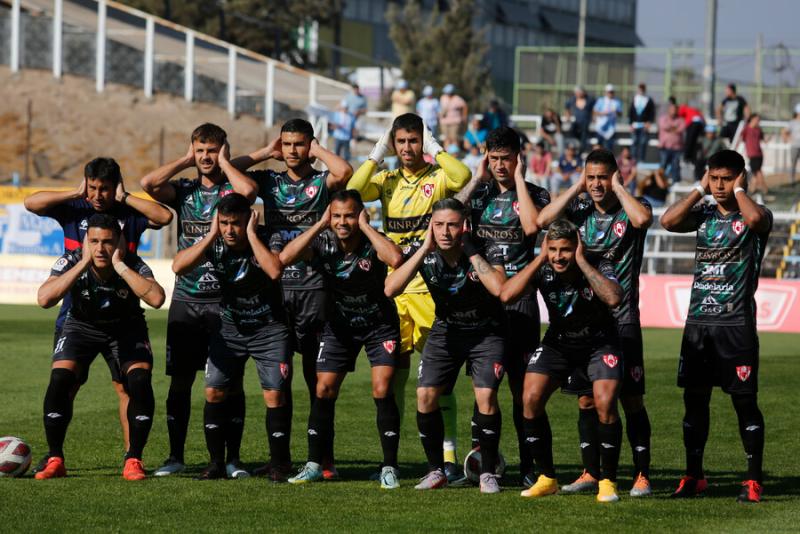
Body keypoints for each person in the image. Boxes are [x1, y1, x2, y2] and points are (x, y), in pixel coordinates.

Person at [24, 157, 172, 472]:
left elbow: (164, 217)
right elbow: (30, 203)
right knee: (65, 380)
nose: (97, 194)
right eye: (92, 187)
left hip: (124, 317)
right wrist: (74, 193)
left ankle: (133, 458)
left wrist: (126, 197)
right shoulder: (75, 211)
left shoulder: (128, 228)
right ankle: (55, 457)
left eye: (104, 188)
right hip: (78, 315)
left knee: (130, 385)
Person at [348, 113, 471, 482]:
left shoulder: (437, 177)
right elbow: (353, 191)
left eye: (413, 141)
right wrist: (377, 151)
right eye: (400, 142)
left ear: (423, 141)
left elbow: (462, 176)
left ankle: (448, 456)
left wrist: (436, 148)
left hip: (431, 289)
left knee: (438, 382)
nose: (406, 148)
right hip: (394, 290)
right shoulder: (386, 181)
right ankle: (393, 460)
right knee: (395, 380)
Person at [232, 118, 353, 479]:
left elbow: (344, 170)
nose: (292, 151)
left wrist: (317, 150)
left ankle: (323, 458)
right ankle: (280, 459)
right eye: (287, 145)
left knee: (317, 380)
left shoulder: (321, 181)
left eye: (299, 144)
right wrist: (263, 153)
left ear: (309, 145)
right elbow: (231, 172)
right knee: (278, 381)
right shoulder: (270, 180)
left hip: (316, 290)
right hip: (278, 289)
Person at [140, 123, 258, 478]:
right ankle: (176, 457)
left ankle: (232, 458)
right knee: (180, 382)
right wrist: (184, 160)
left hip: (225, 302)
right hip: (187, 300)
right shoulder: (184, 190)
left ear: (223, 150)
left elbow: (250, 189)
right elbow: (148, 184)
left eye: (213, 150)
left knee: (230, 383)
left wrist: (226, 163)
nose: (206, 158)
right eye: (201, 151)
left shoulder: (231, 191)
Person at [537, 148, 654, 498]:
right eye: (592, 177)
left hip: (623, 319)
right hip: (587, 323)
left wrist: (619, 188)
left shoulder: (633, 205)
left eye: (603, 177)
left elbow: (643, 221)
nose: (597, 184)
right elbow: (543, 222)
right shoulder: (579, 209)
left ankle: (642, 475)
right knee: (587, 401)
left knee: (631, 399)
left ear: (615, 176)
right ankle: (590, 470)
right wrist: (577, 187)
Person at [660, 149, 771, 503]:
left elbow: (754, 220)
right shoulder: (704, 213)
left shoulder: (756, 213)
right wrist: (699, 188)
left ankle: (753, 480)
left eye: (726, 179)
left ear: (740, 179)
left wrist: (740, 191)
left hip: (736, 325)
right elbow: (667, 221)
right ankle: (694, 476)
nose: (719, 185)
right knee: (694, 403)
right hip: (698, 325)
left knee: (744, 403)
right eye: (715, 178)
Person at [279, 190, 404, 489]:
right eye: (337, 215)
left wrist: (368, 228)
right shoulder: (323, 241)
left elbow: (396, 259)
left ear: (360, 215)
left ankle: (389, 467)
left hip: (379, 325)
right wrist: (319, 225)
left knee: (382, 388)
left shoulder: (374, 240)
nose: (342, 221)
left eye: (349, 215)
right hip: (340, 326)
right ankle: (313, 464)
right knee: (323, 388)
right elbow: (285, 257)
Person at [385, 198, 507, 493]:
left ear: (463, 225)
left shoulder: (484, 246)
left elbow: (500, 288)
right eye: (438, 225)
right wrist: (423, 250)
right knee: (425, 395)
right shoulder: (424, 251)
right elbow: (391, 288)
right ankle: (436, 470)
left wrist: (470, 250)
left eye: (452, 225)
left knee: (485, 396)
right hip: (446, 330)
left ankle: (488, 472)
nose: (445, 231)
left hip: (486, 332)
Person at [501, 219, 624, 502]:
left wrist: (581, 261)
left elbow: (614, 298)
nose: (558, 256)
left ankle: (607, 481)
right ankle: (546, 477)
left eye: (565, 249)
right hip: (559, 342)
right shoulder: (544, 265)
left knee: (605, 403)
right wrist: (539, 259)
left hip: (599, 341)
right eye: (553, 249)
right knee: (529, 397)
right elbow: (506, 294)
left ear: (577, 246)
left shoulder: (597, 261)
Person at [171, 194, 290, 480]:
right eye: (224, 223)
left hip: (269, 329)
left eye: (235, 223)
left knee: (274, 395)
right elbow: (178, 267)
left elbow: (274, 270)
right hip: (231, 328)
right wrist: (211, 235)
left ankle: (279, 464)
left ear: (248, 219)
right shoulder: (215, 241)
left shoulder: (267, 236)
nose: (229, 230)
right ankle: (216, 463)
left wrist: (251, 234)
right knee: (213, 391)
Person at [458, 126, 550, 486]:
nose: (499, 165)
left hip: (522, 303)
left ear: (518, 158)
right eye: (493, 158)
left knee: (521, 390)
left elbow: (530, 227)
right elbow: (446, 217)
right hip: (483, 303)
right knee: (484, 388)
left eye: (506, 159)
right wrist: (475, 179)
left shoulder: (536, 194)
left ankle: (530, 466)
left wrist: (521, 181)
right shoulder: (478, 195)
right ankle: (483, 462)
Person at [739, 114, 768, 195]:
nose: (758, 122)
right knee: (756, 172)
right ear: (751, 119)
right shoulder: (746, 129)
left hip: (758, 154)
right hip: (752, 154)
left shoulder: (758, 130)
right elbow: (741, 138)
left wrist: (768, 139)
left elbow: (763, 140)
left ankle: (764, 189)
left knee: (757, 172)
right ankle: (753, 189)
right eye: (757, 120)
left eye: (759, 120)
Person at [658, 102, 686, 183]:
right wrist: (674, 128)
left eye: (675, 109)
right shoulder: (663, 118)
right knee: (663, 166)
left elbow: (681, 128)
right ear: (668, 110)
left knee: (676, 166)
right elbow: (664, 126)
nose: (673, 111)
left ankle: (676, 182)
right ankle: (660, 182)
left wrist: (671, 128)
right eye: (672, 109)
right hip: (664, 147)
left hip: (677, 148)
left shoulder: (681, 119)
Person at [628, 83, 655, 162]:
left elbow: (652, 112)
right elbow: (631, 112)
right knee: (634, 142)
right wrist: (630, 124)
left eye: (643, 89)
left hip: (644, 125)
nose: (641, 90)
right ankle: (633, 160)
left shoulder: (648, 99)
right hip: (635, 125)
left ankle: (641, 159)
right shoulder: (634, 98)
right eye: (640, 88)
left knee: (643, 143)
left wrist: (649, 122)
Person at [564, 86, 594, 153]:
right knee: (572, 133)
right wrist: (568, 115)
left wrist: (594, 117)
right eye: (577, 92)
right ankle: (573, 149)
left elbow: (595, 108)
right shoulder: (572, 100)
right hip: (575, 123)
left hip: (585, 122)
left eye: (580, 92)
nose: (578, 94)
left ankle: (581, 151)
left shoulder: (589, 100)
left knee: (584, 136)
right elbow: (567, 108)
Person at [593, 84, 622, 151]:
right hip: (600, 127)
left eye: (612, 92)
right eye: (609, 92)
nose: (610, 93)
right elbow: (595, 111)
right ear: (606, 92)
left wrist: (616, 111)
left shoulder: (617, 102)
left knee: (609, 147)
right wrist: (603, 113)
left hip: (611, 128)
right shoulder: (601, 100)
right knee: (599, 147)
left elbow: (620, 113)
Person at [677, 100, 705, 168]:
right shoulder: (694, 109)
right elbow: (702, 118)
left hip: (693, 123)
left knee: (689, 141)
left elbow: (679, 114)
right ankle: (693, 159)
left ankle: (687, 158)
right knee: (695, 142)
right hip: (700, 124)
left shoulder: (684, 107)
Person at [781, 103, 800, 185]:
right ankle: (791, 180)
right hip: (795, 146)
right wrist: (786, 139)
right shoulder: (792, 122)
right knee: (793, 164)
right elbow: (784, 131)